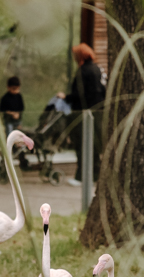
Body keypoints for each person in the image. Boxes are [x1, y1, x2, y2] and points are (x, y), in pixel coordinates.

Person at [58, 44, 105, 187]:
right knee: (95, 146)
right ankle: (95, 174)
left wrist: (65, 97)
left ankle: (81, 177)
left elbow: (80, 94)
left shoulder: (82, 72)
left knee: (82, 145)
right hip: (98, 113)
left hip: (83, 114)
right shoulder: (98, 69)